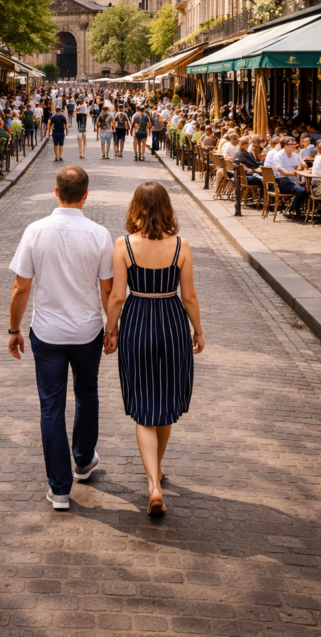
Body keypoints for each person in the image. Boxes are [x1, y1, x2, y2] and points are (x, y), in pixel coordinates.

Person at [7, 166, 114, 511]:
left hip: (48, 332)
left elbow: (21, 287)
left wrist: (14, 329)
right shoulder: (99, 234)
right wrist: (111, 327)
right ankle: (83, 459)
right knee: (87, 393)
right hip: (86, 331)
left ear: (56, 192)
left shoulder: (35, 231)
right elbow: (108, 289)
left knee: (51, 406)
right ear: (86, 195)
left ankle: (60, 489)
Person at [104, 182, 204, 516]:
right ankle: (156, 471)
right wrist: (198, 330)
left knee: (144, 405)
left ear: (135, 207)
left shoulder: (124, 245)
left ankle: (153, 484)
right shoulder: (181, 245)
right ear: (167, 208)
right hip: (172, 322)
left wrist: (111, 329)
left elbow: (117, 296)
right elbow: (189, 295)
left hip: (137, 321)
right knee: (165, 402)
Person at [273, 137, 307, 218]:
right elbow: (282, 171)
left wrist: (301, 163)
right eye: (291, 145)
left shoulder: (294, 155)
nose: (294, 146)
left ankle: (295, 207)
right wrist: (294, 174)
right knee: (301, 191)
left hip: (293, 181)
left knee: (308, 190)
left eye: (295, 144)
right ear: (284, 145)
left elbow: (301, 166)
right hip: (283, 182)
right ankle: (294, 206)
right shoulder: (279, 155)